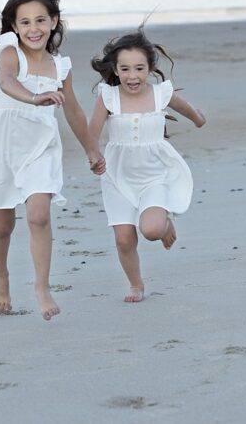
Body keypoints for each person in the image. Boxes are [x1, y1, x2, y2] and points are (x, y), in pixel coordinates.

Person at [0, 0, 104, 320]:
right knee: (2, 225)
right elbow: (6, 81)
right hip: (1, 144)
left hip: (40, 146)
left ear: (54, 21)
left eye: (41, 20)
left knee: (39, 215)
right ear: (14, 26)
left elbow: (73, 111)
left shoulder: (61, 67)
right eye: (25, 21)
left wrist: (91, 149)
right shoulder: (9, 51)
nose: (34, 28)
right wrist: (34, 98)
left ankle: (42, 288)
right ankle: (2, 277)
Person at [87, 28, 206, 303]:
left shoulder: (161, 93)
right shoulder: (108, 97)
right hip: (117, 176)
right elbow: (91, 132)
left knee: (151, 230)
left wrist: (198, 119)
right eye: (125, 69)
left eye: (139, 68)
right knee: (124, 239)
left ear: (150, 68)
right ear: (115, 70)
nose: (132, 76)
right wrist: (93, 155)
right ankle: (136, 284)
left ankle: (165, 225)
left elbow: (186, 108)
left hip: (154, 174)